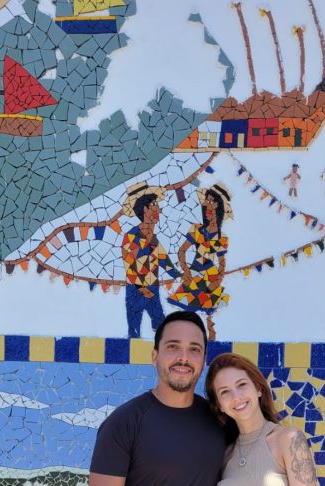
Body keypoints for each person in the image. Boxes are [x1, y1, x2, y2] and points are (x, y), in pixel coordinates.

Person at [90, 311, 225, 486]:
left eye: (194, 349)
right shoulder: (123, 423)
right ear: (155, 357)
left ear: (203, 360)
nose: (183, 358)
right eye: (173, 346)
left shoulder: (220, 420)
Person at [206, 353, 318, 486]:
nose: (236, 397)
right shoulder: (224, 454)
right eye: (225, 392)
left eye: (241, 384)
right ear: (219, 405)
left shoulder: (289, 439)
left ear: (258, 388)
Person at [168, 184, 233, 340]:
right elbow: (182, 251)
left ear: (218, 206)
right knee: (189, 309)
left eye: (211, 201)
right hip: (194, 272)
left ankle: (210, 339)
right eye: (206, 201)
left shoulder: (221, 237)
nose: (207, 204)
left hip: (211, 275)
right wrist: (185, 271)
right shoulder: (197, 230)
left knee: (209, 313)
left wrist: (218, 280)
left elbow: (222, 262)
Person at [121, 182, 180, 338]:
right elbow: (130, 266)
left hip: (152, 288)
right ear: (144, 209)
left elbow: (163, 260)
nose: (157, 209)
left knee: (160, 325)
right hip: (136, 290)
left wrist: (179, 276)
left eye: (157, 205)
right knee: (134, 329)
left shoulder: (153, 239)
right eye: (153, 204)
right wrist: (141, 288)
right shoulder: (132, 236)